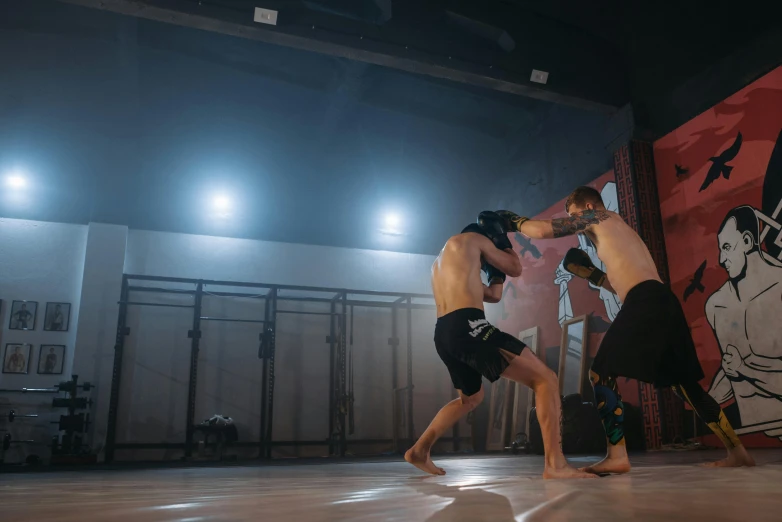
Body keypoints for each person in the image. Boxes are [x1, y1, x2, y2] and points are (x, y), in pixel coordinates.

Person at [494, 186, 755, 473]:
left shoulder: (598, 216)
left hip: (646, 299)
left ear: (589, 207)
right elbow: (619, 284)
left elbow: (543, 231)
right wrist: (592, 274)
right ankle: (738, 452)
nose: (576, 226)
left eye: (574, 216)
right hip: (659, 300)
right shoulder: (617, 229)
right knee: (685, 387)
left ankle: (617, 456)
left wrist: (513, 221)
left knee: (600, 372)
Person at [404, 212, 594, 479]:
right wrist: (501, 241)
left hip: (445, 333)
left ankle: (419, 451)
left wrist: (494, 274)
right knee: (546, 380)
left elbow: (492, 294)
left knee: (471, 399)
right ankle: (556, 464)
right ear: (485, 238)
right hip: (470, 326)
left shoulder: (441, 264)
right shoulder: (470, 239)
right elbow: (515, 267)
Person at [706, 206, 782, 438]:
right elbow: (732, 371)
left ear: (748, 241)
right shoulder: (716, 305)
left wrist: (743, 368)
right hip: (756, 439)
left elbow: (741, 366)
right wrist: (704, 402)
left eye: (727, 247)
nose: (721, 259)